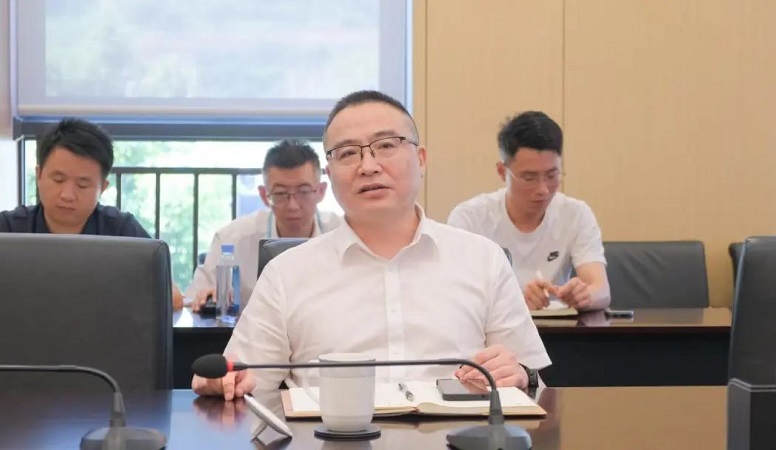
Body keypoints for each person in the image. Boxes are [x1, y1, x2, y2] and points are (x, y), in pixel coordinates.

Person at [192, 91, 550, 400]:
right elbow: (246, 380)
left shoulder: (482, 259)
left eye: (386, 146)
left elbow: (534, 383)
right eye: (348, 153)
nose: (368, 166)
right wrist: (225, 382)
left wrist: (521, 375)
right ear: (329, 176)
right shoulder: (286, 273)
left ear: (421, 160)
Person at [0, 118, 185, 309]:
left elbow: (172, 297)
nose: (68, 195)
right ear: (39, 175)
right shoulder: (8, 229)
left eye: (83, 185)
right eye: (58, 180)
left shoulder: (121, 230)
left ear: (102, 187)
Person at [447, 111, 610, 312]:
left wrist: (584, 296)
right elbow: (456, 297)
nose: (543, 190)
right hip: (492, 329)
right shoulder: (470, 219)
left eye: (551, 176)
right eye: (529, 178)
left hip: (558, 328)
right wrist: (515, 303)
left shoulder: (576, 214)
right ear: (502, 172)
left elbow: (601, 290)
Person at [185, 140, 341, 311]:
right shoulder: (232, 239)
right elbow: (193, 299)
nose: (292, 205)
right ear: (264, 195)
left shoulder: (342, 233)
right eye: (280, 193)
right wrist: (207, 297)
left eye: (303, 192)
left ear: (321, 191)